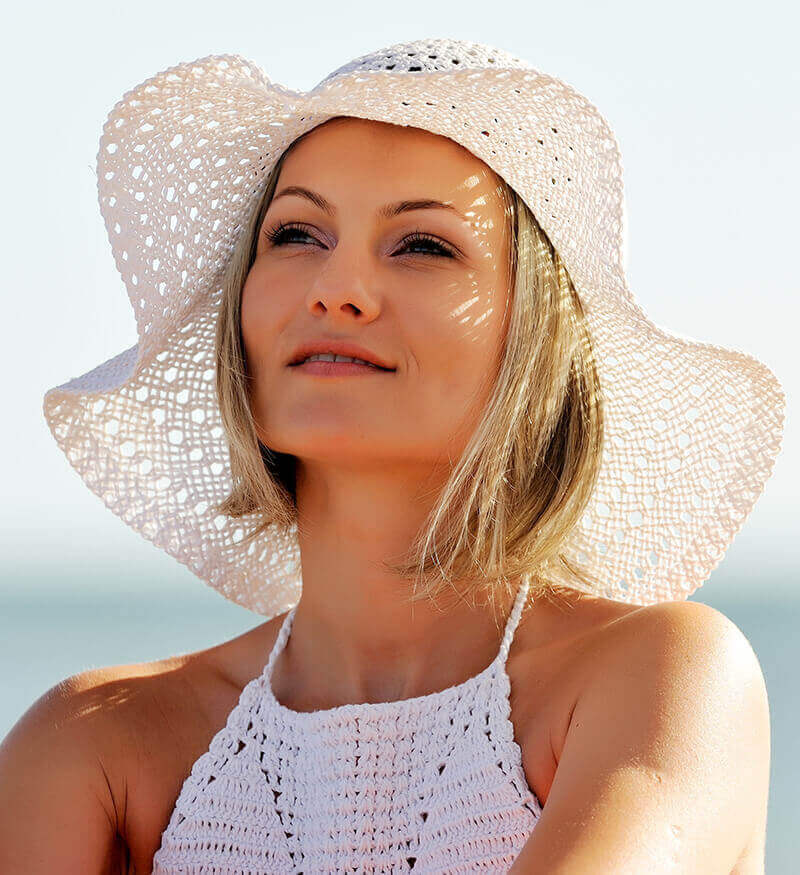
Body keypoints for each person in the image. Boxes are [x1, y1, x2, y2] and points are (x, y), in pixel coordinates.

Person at [0, 39, 784, 873]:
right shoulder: (95, 743)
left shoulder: (662, 680)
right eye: (297, 232)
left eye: (422, 245)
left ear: (533, 340)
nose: (336, 288)